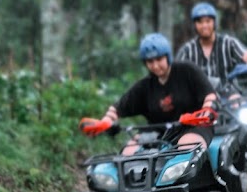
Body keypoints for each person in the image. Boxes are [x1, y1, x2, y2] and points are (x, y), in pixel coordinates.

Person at [80, 32, 217, 151]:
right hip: (159, 133)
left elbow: (209, 94)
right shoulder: (145, 86)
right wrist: (105, 122)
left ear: (167, 57)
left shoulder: (187, 71)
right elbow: (118, 108)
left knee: (187, 148)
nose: (155, 65)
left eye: (159, 59)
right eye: (150, 61)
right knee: (129, 152)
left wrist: (206, 111)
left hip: (194, 128)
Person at [175, 1, 247, 84]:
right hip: (199, 95)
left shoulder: (229, 43)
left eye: (208, 21)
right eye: (200, 22)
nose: (204, 26)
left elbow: (245, 55)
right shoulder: (187, 50)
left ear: (214, 22)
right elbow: (175, 73)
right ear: (194, 25)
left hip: (229, 94)